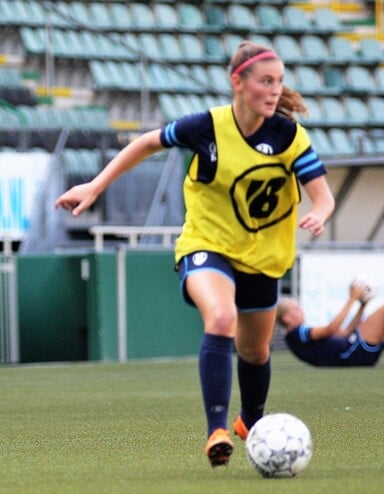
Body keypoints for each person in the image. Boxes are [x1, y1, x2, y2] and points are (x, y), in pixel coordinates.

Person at [54, 41, 335, 467]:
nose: (275, 90)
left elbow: (324, 197)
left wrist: (320, 212)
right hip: (207, 245)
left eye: (279, 81)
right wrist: (95, 186)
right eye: (265, 81)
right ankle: (216, 431)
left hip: (263, 257)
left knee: (256, 353)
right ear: (237, 82)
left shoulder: (289, 136)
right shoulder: (206, 127)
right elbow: (146, 143)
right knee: (220, 318)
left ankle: (251, 423)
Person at [279, 280, 384, 367]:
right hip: (353, 354)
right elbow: (331, 329)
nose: (300, 310)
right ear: (286, 318)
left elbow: (343, 333)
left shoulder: (299, 335)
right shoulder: (297, 333)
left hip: (356, 352)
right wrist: (352, 299)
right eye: (296, 309)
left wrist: (362, 305)